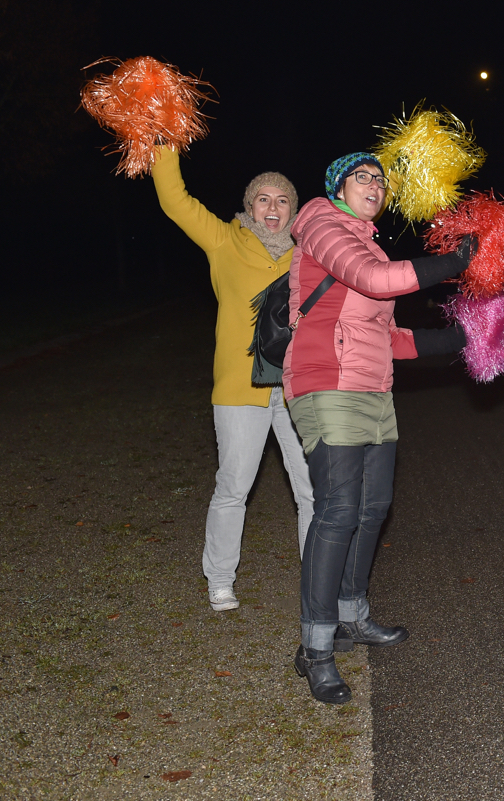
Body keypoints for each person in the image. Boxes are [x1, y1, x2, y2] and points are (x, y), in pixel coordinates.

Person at [285, 153, 473, 703]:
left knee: (372, 508)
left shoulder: (373, 245)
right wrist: (451, 263)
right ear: (337, 185)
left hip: (374, 388)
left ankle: (352, 617)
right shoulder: (320, 222)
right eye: (363, 177)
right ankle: (316, 650)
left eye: (381, 180)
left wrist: (458, 341)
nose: (376, 184)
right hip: (326, 382)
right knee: (338, 511)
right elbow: (373, 280)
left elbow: (388, 336)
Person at [151, 145, 313, 612]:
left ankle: (316, 581)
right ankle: (220, 578)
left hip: (298, 389)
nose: (272, 207)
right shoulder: (223, 241)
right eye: (263, 199)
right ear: (248, 206)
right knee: (233, 487)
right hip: (240, 390)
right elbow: (175, 201)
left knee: (312, 491)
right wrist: (163, 145)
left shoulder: (309, 255)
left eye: (282, 200)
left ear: (293, 210)